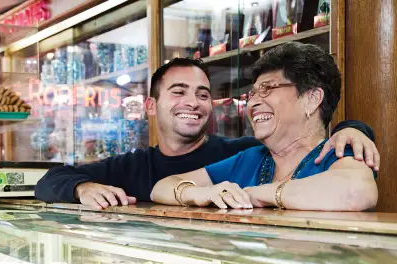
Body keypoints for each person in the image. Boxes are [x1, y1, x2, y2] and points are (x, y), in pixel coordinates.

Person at [35, 57, 379, 211]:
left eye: (202, 94)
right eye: (179, 92)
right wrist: (83, 187)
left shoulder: (240, 151)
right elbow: (51, 180)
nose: (194, 103)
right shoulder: (132, 165)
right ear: (151, 106)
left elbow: (352, 187)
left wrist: (352, 128)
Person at [150, 42, 377, 211]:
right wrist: (199, 193)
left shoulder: (337, 152)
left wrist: (255, 194)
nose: (254, 102)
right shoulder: (251, 158)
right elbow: (161, 187)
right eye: (253, 93)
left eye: (267, 88)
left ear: (312, 98)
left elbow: (355, 190)